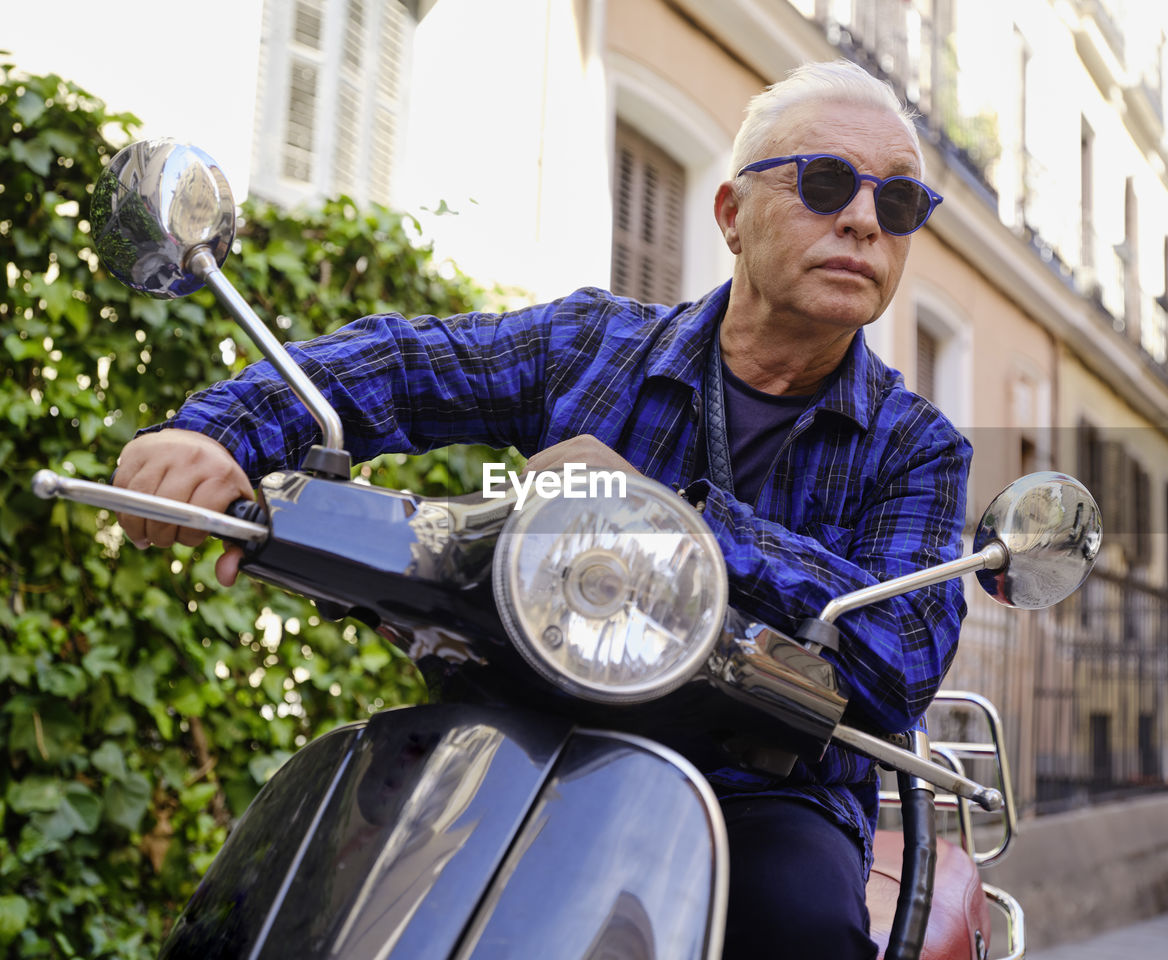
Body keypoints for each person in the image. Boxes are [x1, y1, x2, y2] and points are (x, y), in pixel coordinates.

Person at [112, 59, 970, 959]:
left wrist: (662, 512)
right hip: (519, 737)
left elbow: (902, 655)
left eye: (900, 203)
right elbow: (408, 366)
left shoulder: (918, 447)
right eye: (825, 182)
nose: (865, 220)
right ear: (730, 215)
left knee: (799, 923)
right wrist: (218, 435)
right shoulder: (593, 346)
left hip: (762, 792)